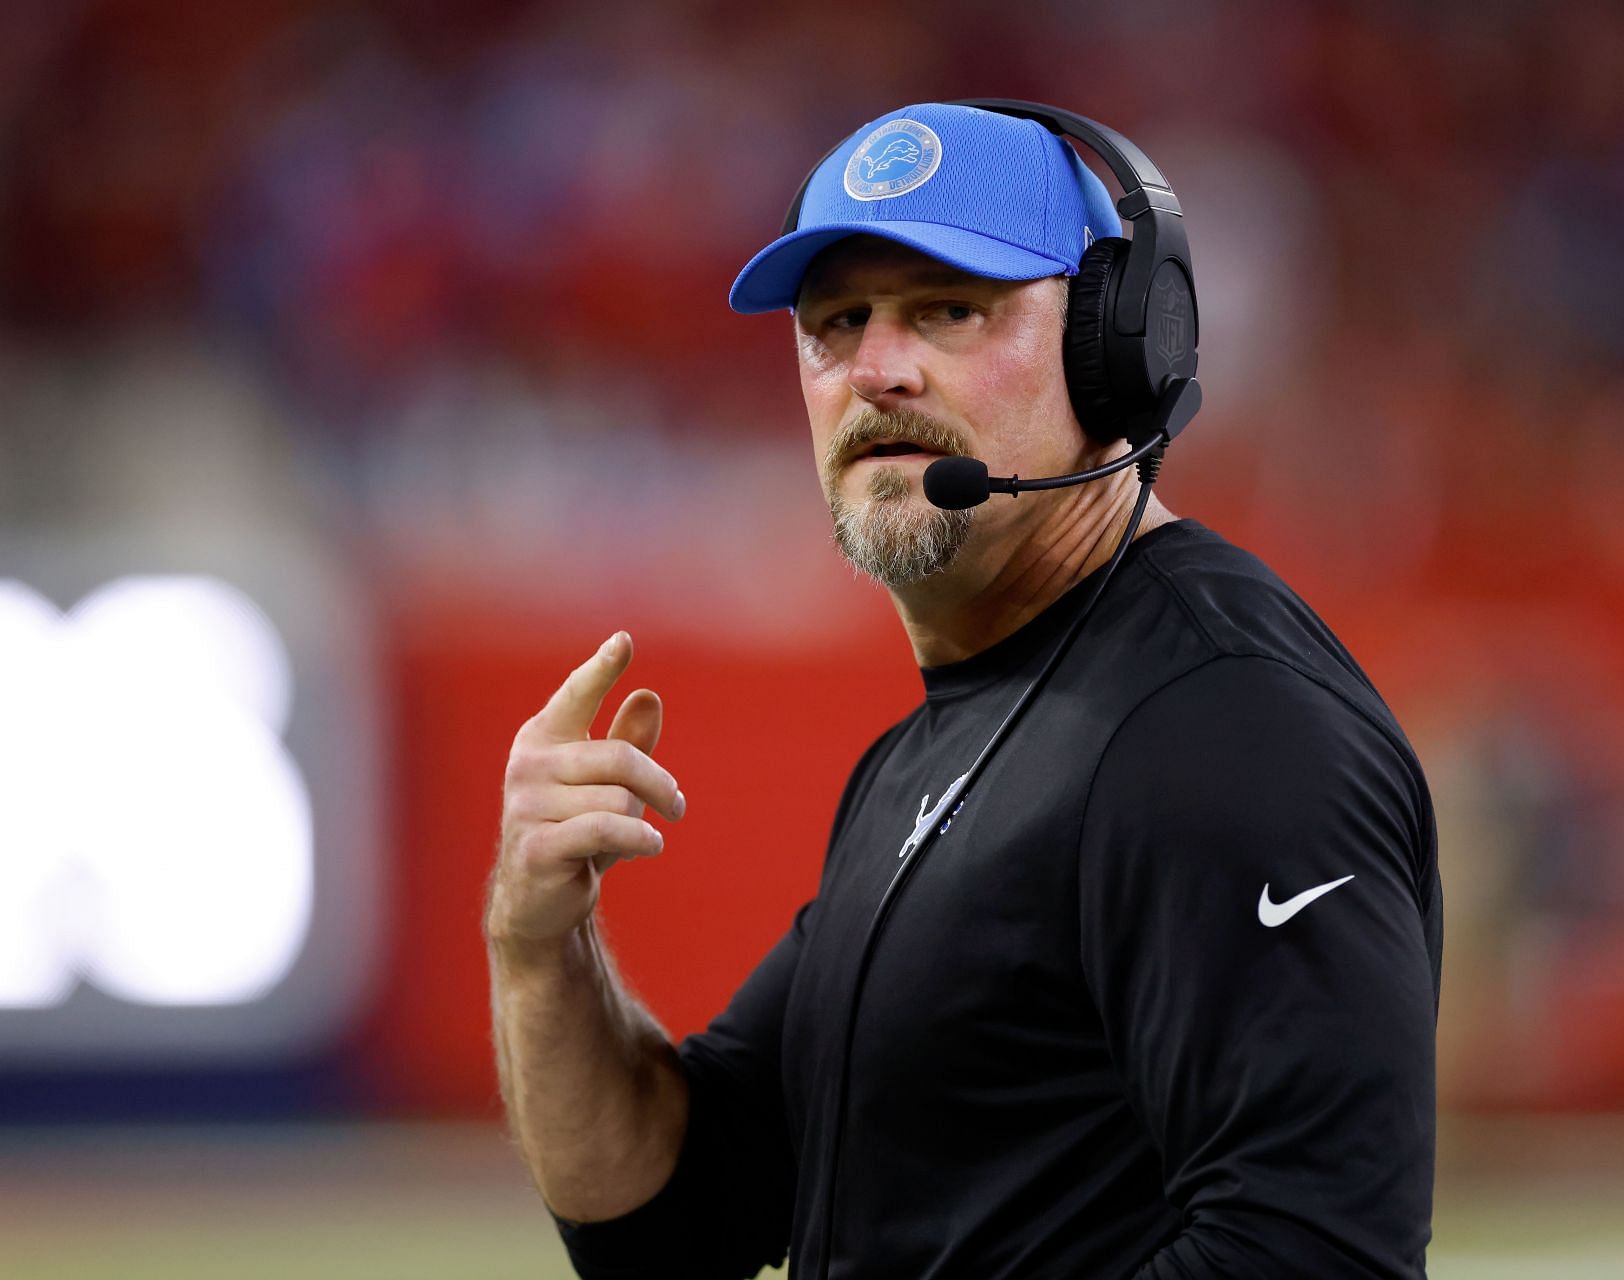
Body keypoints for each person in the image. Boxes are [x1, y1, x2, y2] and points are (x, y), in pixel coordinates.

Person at [485, 101, 1442, 1279]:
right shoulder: (939, 750)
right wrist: (540, 944)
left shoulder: (1224, 724)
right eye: (837, 321)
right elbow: (673, 1217)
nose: (878, 368)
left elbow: (1313, 1255)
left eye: (949, 306)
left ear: (1118, 343)